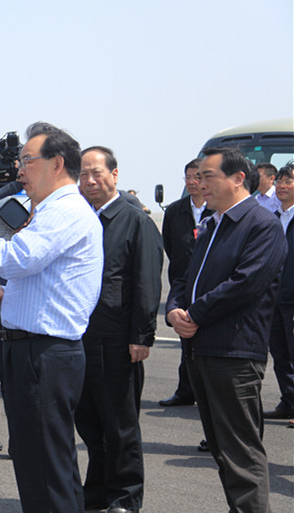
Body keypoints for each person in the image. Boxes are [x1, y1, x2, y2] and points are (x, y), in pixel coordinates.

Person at [0, 122, 104, 513]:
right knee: (38, 459)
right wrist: (5, 294)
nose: (19, 170)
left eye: (27, 160)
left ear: (56, 164)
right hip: (34, 351)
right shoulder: (54, 210)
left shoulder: (64, 210)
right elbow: (47, 282)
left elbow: (16, 259)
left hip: (44, 354)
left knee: (45, 464)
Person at [167, 147, 286, 513]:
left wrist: (194, 314)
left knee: (240, 453)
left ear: (238, 178)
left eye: (208, 176)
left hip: (234, 353)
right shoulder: (211, 224)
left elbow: (245, 284)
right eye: (197, 177)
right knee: (221, 449)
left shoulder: (261, 224)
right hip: (201, 349)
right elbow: (185, 276)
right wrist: (174, 310)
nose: (200, 184)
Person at [76, 146, 163, 513]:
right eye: (83, 174)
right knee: (89, 421)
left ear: (114, 174)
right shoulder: (79, 219)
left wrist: (141, 337)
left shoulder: (135, 221)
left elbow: (147, 283)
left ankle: (126, 496)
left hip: (116, 338)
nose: (90, 180)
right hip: (80, 336)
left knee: (120, 423)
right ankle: (96, 490)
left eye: (97, 173)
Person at [159, 158, 214, 407]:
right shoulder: (174, 210)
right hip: (183, 284)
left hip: (210, 285)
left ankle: (208, 393)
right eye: (188, 177)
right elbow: (170, 246)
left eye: (198, 177)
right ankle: (185, 391)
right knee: (186, 342)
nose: (192, 182)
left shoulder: (217, 209)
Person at [263, 163, 294, 421]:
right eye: (280, 181)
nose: (282, 186)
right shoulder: (271, 218)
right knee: (280, 354)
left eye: (288, 181)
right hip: (273, 299)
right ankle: (289, 402)